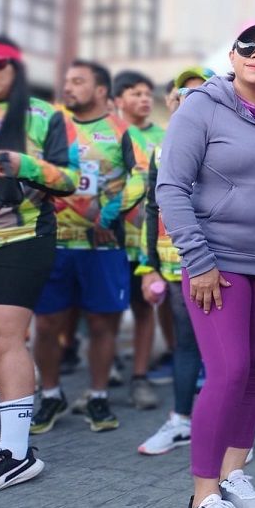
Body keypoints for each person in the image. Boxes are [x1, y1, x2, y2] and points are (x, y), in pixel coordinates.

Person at [158, 19, 255, 508]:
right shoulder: (201, 107)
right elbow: (170, 187)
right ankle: (202, 498)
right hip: (218, 263)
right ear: (233, 55)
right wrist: (198, 260)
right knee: (228, 371)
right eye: (249, 46)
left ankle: (233, 472)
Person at [0, 36, 77, 495]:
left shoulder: (43, 115)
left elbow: (70, 178)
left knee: (0, 336)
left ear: (15, 68)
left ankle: (16, 453)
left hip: (22, 238)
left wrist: (25, 165)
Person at [31, 60, 147, 435]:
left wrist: (111, 214)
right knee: (45, 324)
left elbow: (141, 177)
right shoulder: (52, 125)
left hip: (104, 245)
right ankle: (51, 395)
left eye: (78, 81)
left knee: (101, 324)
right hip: (54, 242)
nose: (68, 87)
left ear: (100, 90)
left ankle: (98, 395)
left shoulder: (122, 131)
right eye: (67, 80)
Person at [136, 67, 214, 457]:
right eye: (183, 93)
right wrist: (148, 265)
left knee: (224, 354)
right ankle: (181, 421)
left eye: (201, 93)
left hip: (220, 265)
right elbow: (152, 209)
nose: (189, 100)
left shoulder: (226, 137)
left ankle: (230, 433)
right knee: (186, 345)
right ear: (170, 102)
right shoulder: (160, 149)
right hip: (174, 266)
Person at [113, 70, 165, 410]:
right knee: (103, 313)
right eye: (135, 93)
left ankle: (140, 377)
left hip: (145, 240)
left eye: (147, 93)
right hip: (109, 238)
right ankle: (103, 375)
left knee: (144, 307)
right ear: (118, 100)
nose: (144, 99)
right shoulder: (108, 134)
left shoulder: (164, 136)